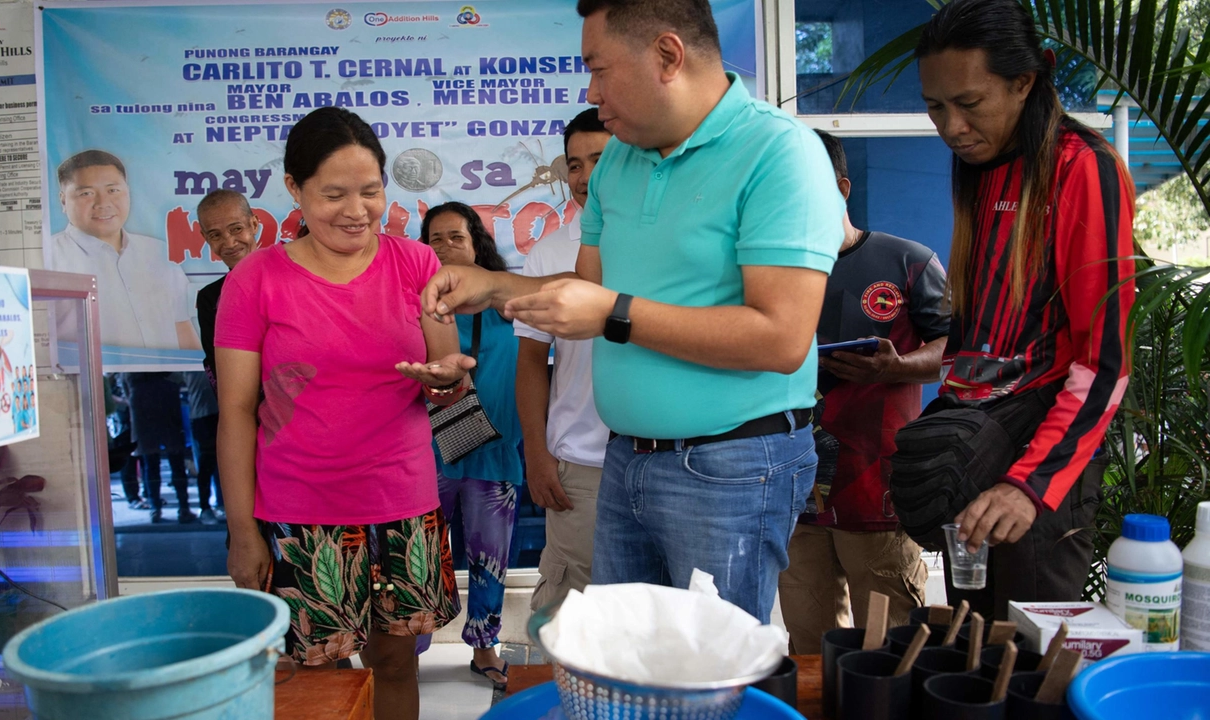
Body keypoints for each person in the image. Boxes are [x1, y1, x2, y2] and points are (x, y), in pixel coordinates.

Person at [420, 0, 846, 622]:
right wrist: (492, 286)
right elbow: (589, 285)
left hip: (729, 464)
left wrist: (614, 313)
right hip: (624, 456)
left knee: (702, 674)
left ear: (668, 55)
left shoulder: (779, 153)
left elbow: (780, 337)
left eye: (599, 69)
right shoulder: (620, 157)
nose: (591, 92)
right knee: (623, 664)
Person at [216, 106, 466, 720]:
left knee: (398, 660)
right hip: (301, 511)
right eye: (333, 194)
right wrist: (244, 532)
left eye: (370, 191)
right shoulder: (255, 281)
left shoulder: (416, 264)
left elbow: (446, 376)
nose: (356, 210)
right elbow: (236, 412)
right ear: (295, 189)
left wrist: (444, 382)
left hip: (401, 500)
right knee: (318, 677)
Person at [914, 0, 1134, 619]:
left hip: (1039, 461)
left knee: (1031, 666)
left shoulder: (1082, 167)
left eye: (970, 103)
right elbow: (975, 334)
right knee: (971, 648)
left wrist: (1028, 486)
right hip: (977, 445)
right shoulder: (980, 166)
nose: (952, 125)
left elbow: (1106, 359)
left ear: (1025, 81)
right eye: (935, 107)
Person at [778, 131, 949, 653]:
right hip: (792, 491)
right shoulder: (770, 272)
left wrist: (896, 368)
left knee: (891, 648)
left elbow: (956, 348)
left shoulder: (908, 262)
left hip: (879, 490)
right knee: (809, 646)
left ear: (842, 187)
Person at [420, 202, 523, 689]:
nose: (444, 247)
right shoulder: (413, 304)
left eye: (455, 237)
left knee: (490, 557)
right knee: (416, 555)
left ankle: (484, 647)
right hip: (425, 456)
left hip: (494, 449)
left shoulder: (508, 304)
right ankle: (406, 648)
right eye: (434, 238)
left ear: (476, 242)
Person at [515, 109, 613, 612]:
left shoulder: (669, 244)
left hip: (666, 459)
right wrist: (537, 450)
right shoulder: (549, 254)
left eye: (598, 158)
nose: (583, 176)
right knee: (572, 613)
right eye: (573, 164)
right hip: (582, 463)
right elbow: (531, 361)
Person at [48, 150, 201, 351]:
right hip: (95, 381)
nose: (103, 203)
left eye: (113, 191)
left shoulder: (159, 252)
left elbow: (181, 326)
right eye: (86, 193)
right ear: (63, 201)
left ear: (127, 192)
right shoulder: (48, 258)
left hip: (170, 380)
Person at [196, 189, 262, 389]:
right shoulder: (211, 299)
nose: (229, 242)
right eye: (216, 235)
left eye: (236, 229)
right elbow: (219, 371)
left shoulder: (290, 276)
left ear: (254, 224)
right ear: (205, 238)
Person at [124, 372, 194, 524]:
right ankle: (183, 508)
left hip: (142, 403)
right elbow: (179, 377)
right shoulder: (169, 384)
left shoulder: (135, 381)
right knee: (176, 463)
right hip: (166, 396)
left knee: (150, 465)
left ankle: (155, 508)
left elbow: (125, 382)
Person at [185, 370, 224, 524]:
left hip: (217, 413)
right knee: (207, 463)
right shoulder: (189, 364)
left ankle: (220, 503)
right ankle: (205, 507)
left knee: (221, 462)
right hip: (202, 416)